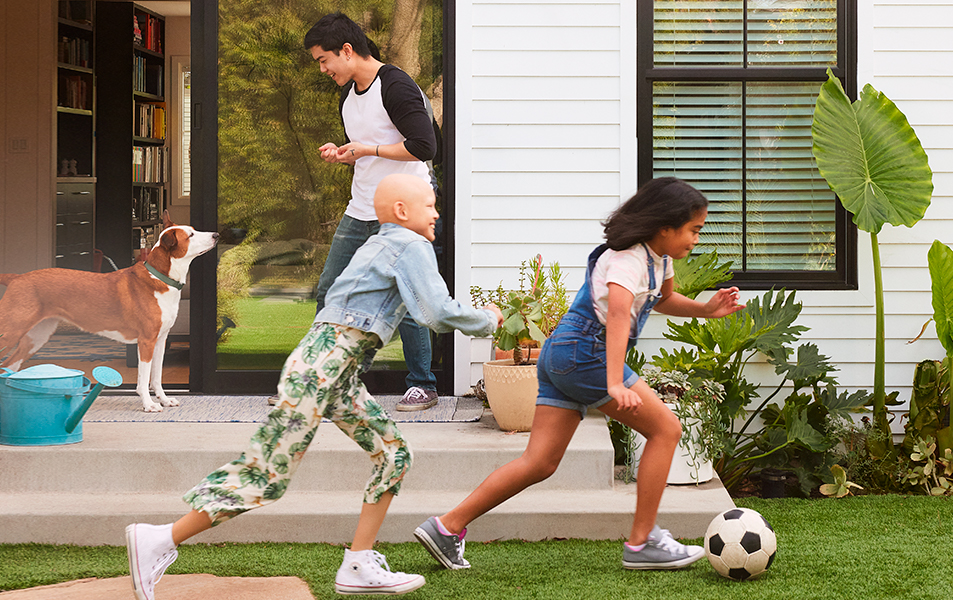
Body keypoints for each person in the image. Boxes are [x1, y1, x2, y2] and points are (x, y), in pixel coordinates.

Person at [126, 175, 502, 600]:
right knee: (267, 475)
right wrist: (488, 319)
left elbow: (410, 309)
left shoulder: (378, 245)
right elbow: (435, 311)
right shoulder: (409, 245)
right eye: (430, 204)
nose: (436, 212)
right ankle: (159, 539)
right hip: (321, 370)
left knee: (394, 453)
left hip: (332, 370)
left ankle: (359, 562)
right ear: (401, 211)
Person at [412, 177, 745, 572]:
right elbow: (620, 313)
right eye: (694, 229)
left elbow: (666, 299)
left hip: (562, 352)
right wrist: (614, 382)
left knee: (540, 462)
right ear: (665, 226)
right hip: (586, 351)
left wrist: (706, 309)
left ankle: (446, 527)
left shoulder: (659, 259)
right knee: (667, 430)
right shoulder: (627, 259)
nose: (696, 238)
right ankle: (642, 543)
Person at [304, 12, 443, 412]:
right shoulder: (349, 94)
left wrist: (366, 150)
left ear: (346, 51)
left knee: (409, 294)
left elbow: (424, 146)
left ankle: (423, 385)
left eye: (323, 59)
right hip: (363, 204)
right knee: (331, 290)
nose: (323, 68)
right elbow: (371, 148)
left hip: (405, 206)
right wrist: (347, 153)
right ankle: (323, 380)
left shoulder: (395, 86)